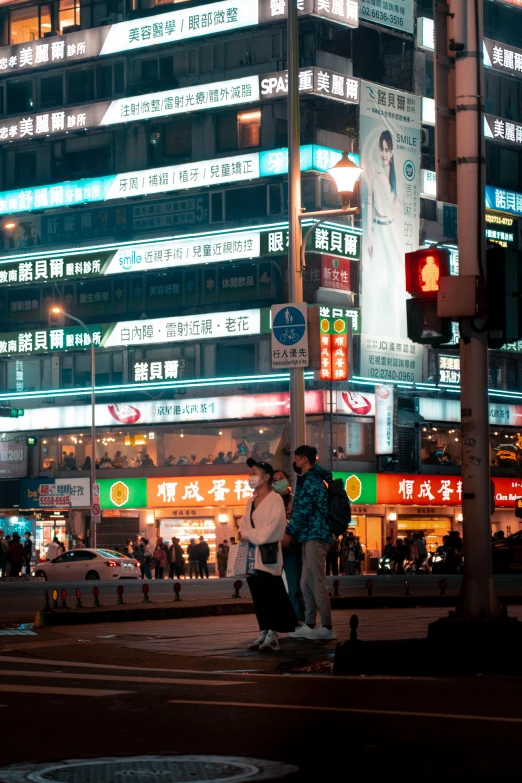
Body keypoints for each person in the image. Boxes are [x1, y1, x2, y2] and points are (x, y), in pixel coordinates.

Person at [239, 458, 297, 651]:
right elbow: (243, 525)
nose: (251, 477)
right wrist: (247, 533)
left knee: (271, 593)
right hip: (250, 558)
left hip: (268, 556)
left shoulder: (276, 500)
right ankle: (263, 631)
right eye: (250, 473)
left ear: (266, 477)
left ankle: (273, 634)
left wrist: (249, 534)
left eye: (254, 473)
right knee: (258, 595)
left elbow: (273, 530)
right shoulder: (250, 502)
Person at [284, 445, 336, 641]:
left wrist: (289, 532)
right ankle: (310, 624)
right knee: (306, 581)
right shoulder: (309, 479)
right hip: (308, 536)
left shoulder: (312, 481)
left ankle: (327, 626)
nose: (294, 462)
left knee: (316, 581)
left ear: (304, 459)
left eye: (296, 458)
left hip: (316, 534)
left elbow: (303, 509)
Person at [274, 469, 305, 627]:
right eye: (275, 479)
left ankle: (299, 620)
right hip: (274, 552)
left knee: (294, 588)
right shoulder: (270, 503)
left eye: (281, 478)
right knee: (277, 590)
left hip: (293, 551)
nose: (278, 481)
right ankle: (282, 621)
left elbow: (300, 523)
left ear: (287, 480)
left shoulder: (295, 501)